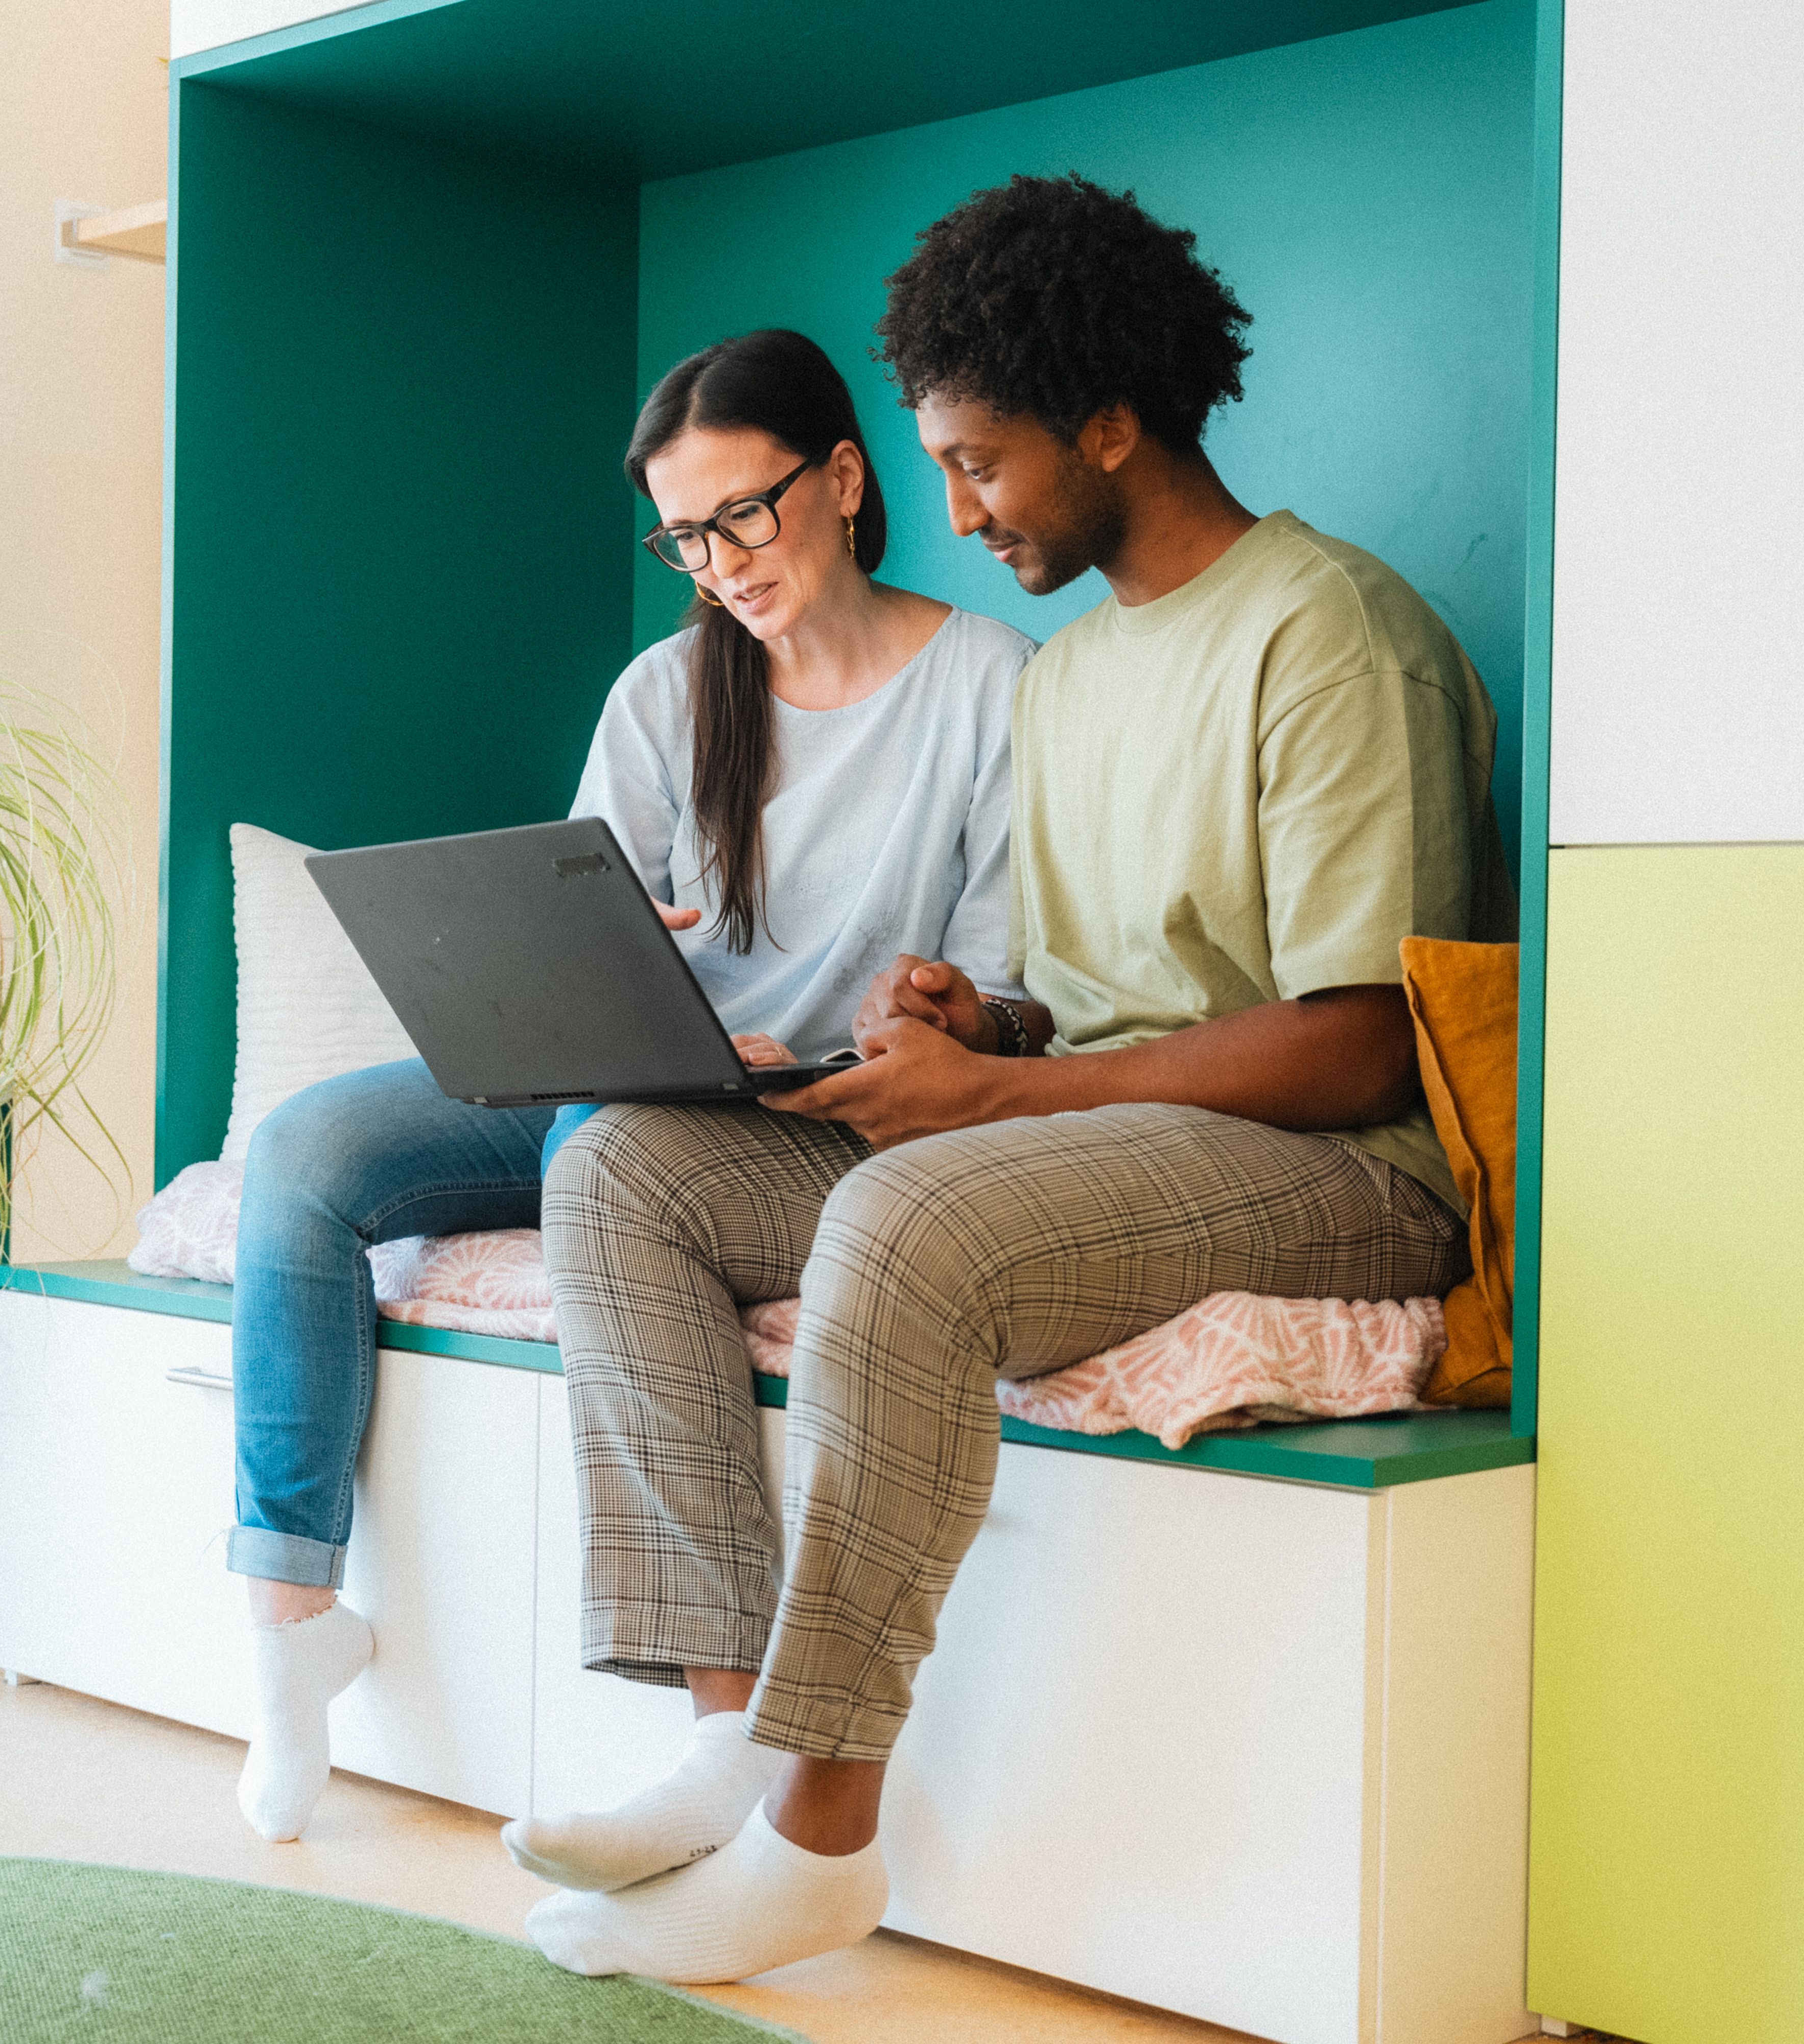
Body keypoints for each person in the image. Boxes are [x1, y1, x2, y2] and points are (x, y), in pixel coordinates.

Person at [521, 174, 1510, 1980]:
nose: (957, 513)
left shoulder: (1330, 633)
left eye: (981, 464)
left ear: (1112, 425)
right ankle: (718, 1737)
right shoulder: (1070, 683)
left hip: (1346, 1169)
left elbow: (1362, 1039)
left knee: (905, 1219)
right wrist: (982, 1028)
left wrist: (995, 1101)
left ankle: (822, 1840)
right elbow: (1086, 1003)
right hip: (1115, 1136)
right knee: (619, 1171)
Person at [225, 328, 1033, 1843]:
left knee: (613, 1154)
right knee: (304, 1150)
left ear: (846, 480)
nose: (719, 562)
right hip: (628, 1077)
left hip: (798, 1120)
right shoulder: (668, 695)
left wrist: (932, 1011)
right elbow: (590, 943)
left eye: (745, 513)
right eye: (685, 535)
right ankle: (287, 1627)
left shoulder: (986, 683)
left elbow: (1002, 989)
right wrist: (599, 959)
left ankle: (721, 1731)